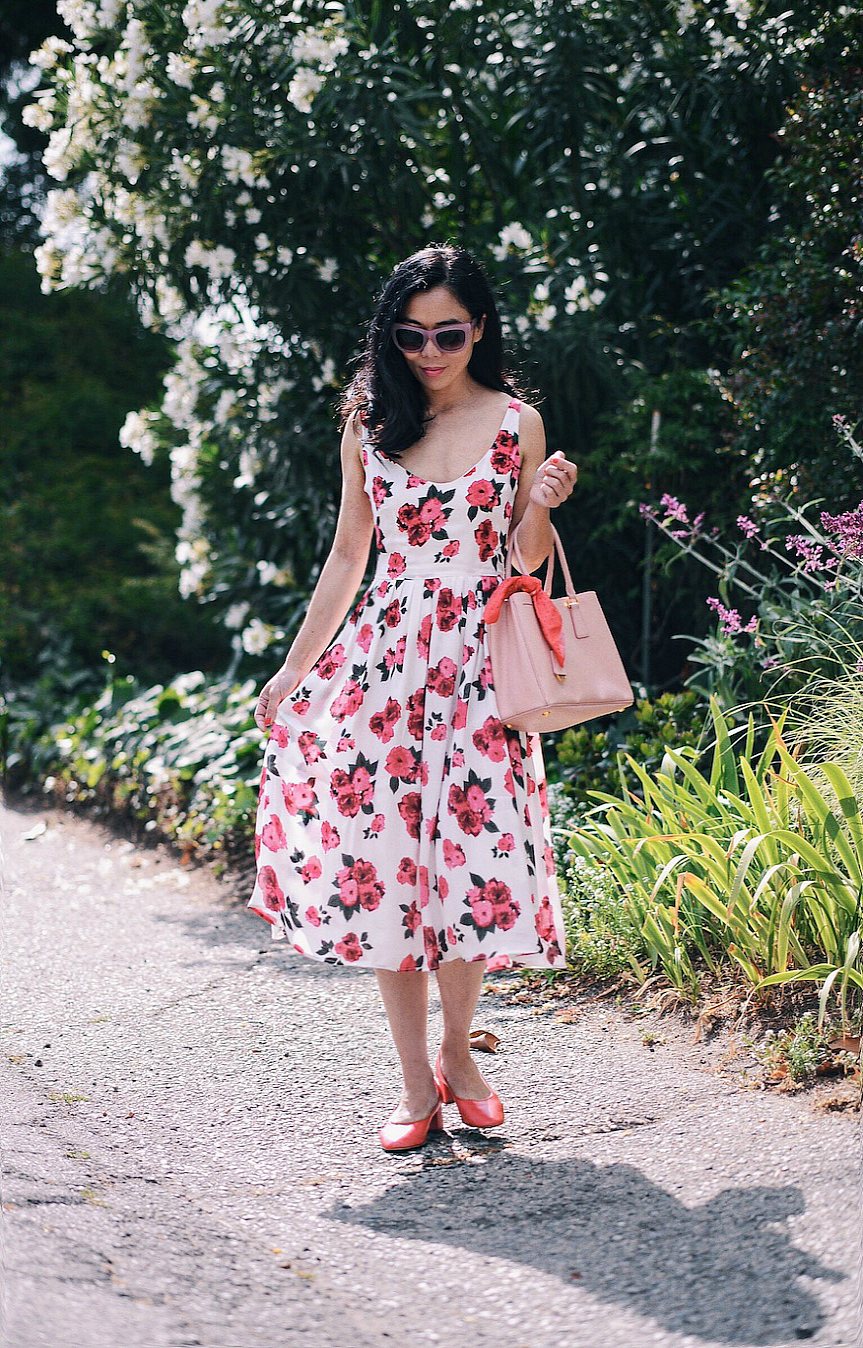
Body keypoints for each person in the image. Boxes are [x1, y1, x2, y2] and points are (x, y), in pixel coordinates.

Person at [248, 243, 578, 1151]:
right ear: (389, 337)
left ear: (479, 328)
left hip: (480, 669)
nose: (428, 351)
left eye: (448, 333)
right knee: (388, 872)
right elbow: (348, 558)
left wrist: (542, 503)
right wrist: (291, 670)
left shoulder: (517, 423)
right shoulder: (366, 421)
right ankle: (411, 1084)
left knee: (469, 869)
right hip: (381, 672)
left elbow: (524, 564)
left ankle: (459, 1055)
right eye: (410, 335)